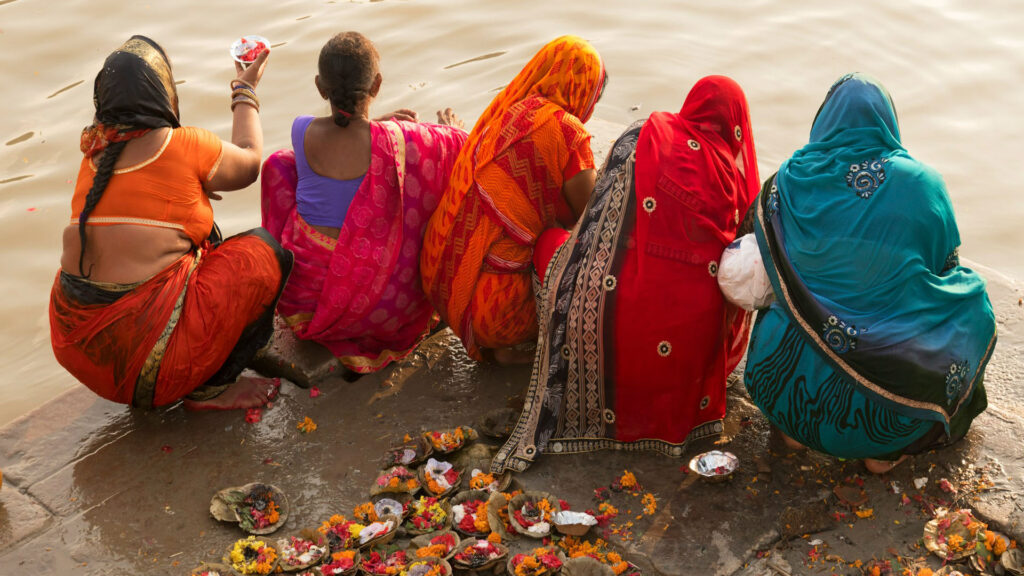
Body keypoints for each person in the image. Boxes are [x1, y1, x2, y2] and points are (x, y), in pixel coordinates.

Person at [492, 76, 760, 473]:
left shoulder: (642, 135)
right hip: (688, 348)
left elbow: (591, 225)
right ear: (738, 128)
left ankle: (551, 346)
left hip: (606, 329)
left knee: (553, 241)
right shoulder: (732, 176)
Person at [740, 73, 996, 474]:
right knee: (974, 305)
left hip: (779, 387)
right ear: (888, 122)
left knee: (781, 280)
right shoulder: (923, 184)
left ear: (823, 120)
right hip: (884, 416)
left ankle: (793, 429)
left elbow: (749, 253)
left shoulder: (790, 179)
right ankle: (881, 453)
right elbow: (945, 272)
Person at [49, 36, 292, 411]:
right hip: (152, 369)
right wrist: (245, 90)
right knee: (264, 253)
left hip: (84, 358)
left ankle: (166, 357)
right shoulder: (182, 145)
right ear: (163, 93)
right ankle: (211, 389)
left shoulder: (94, 156)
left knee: (200, 237)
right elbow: (249, 162)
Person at [260, 32, 468, 374]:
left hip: (307, 301)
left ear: (319, 87)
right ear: (377, 84)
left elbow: (347, 135)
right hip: (382, 311)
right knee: (428, 177)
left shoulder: (302, 131)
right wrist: (450, 128)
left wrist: (379, 123)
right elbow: (458, 145)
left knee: (280, 165)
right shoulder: (399, 140)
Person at [420, 35, 606, 363]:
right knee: (587, 258)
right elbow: (595, 216)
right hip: (492, 314)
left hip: (441, 278)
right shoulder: (567, 132)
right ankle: (510, 348)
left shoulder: (511, 107)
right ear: (583, 88)